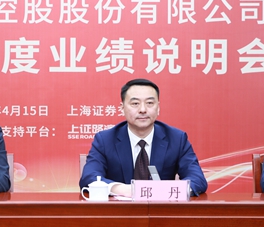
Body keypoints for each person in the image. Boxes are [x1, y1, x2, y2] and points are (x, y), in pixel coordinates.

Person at [79, 78, 208, 197]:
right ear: (122, 108)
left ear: (158, 108)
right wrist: (123, 189)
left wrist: (167, 190)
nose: (142, 110)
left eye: (149, 103)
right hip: (118, 211)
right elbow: (89, 177)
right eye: (135, 103)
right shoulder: (105, 140)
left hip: (162, 211)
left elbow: (197, 179)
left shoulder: (176, 139)